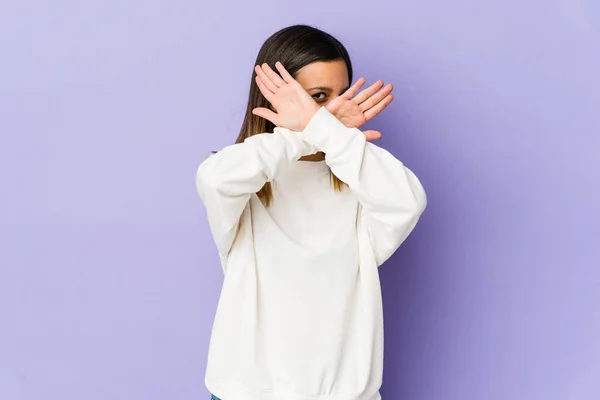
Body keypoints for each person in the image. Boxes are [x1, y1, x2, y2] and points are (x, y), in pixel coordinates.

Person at [196, 24, 427, 400]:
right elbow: (215, 180)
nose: (333, 110)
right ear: (274, 99)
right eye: (317, 97)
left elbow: (408, 202)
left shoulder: (360, 176)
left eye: (340, 95)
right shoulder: (243, 174)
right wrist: (311, 132)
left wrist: (329, 135)